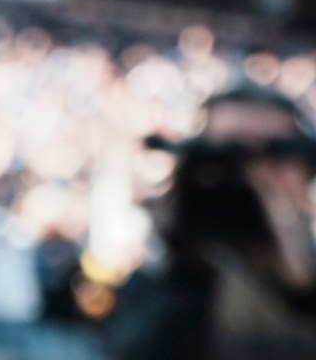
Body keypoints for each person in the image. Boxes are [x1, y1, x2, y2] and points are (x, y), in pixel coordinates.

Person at [105, 83, 316, 360]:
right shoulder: (167, 262)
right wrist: (174, 253)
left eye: (274, 154)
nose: (250, 173)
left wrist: (298, 267)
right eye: (229, 154)